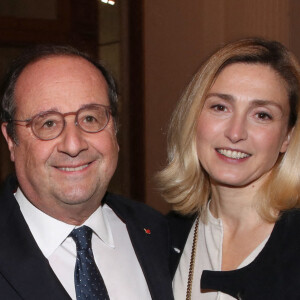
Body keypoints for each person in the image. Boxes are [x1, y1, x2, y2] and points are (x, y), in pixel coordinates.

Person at [0, 45, 174, 300]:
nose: (74, 144)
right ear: (11, 140)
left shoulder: (156, 231)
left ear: (114, 130)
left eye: (90, 118)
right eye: (48, 123)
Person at [157, 38, 300, 300]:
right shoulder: (162, 238)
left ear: (287, 137)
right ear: (194, 119)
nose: (235, 133)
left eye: (262, 115)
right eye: (220, 107)